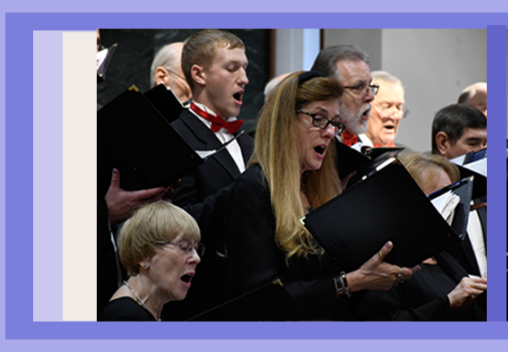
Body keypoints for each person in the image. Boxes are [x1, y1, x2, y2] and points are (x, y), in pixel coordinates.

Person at [179, 71, 419, 320]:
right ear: (285, 122)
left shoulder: (320, 190)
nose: (329, 133)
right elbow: (260, 296)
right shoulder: (255, 188)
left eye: (334, 123)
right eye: (318, 119)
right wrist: (350, 283)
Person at [355, 152, 487, 321]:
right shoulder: (384, 264)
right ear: (407, 198)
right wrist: (447, 302)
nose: (452, 203)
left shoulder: (443, 257)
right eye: (443, 195)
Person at [170, 29, 255, 208]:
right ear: (199, 75)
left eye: (244, 69)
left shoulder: (249, 142)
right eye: (232, 68)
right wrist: (242, 190)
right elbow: (179, 219)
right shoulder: (176, 136)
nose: (244, 79)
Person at [100, 201, 201, 321]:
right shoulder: (124, 318)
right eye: (184, 247)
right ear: (145, 255)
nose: (196, 258)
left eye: (195, 248)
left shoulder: (153, 309)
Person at [311, 45, 377, 151]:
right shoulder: (313, 147)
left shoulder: (365, 144)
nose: (371, 97)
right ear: (326, 91)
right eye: (358, 87)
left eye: (370, 85)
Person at [365, 71, 406, 147]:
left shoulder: (406, 157)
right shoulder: (344, 151)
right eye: (386, 106)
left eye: (399, 107)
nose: (395, 116)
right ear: (364, 108)